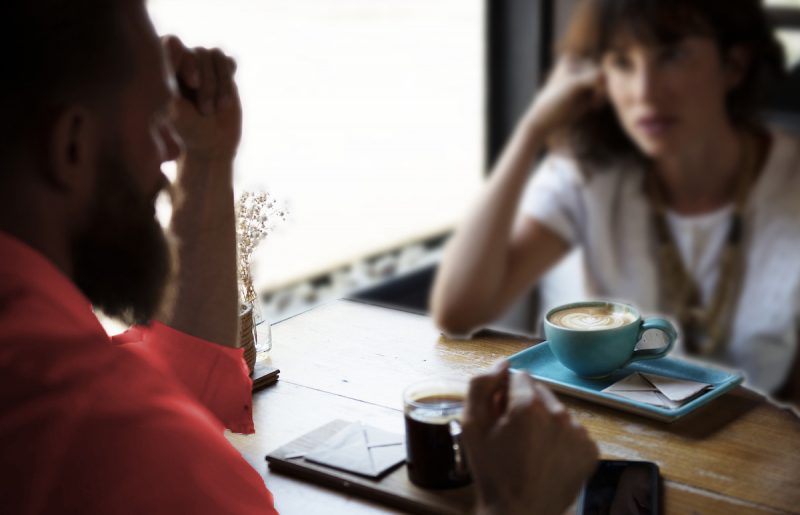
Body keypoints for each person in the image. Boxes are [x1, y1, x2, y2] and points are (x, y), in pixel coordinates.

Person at [0, 1, 597, 513]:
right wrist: (517, 503)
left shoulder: (41, 357)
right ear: (71, 146)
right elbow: (146, 436)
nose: (166, 151)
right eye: (152, 123)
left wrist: (207, 160)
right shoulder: (127, 453)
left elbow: (178, 387)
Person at [431, 0, 800, 405]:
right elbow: (457, 312)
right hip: (588, 442)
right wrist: (532, 130)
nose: (645, 91)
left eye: (672, 55)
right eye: (622, 62)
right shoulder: (585, 178)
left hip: (744, 452)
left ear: (734, 65)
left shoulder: (789, 183)